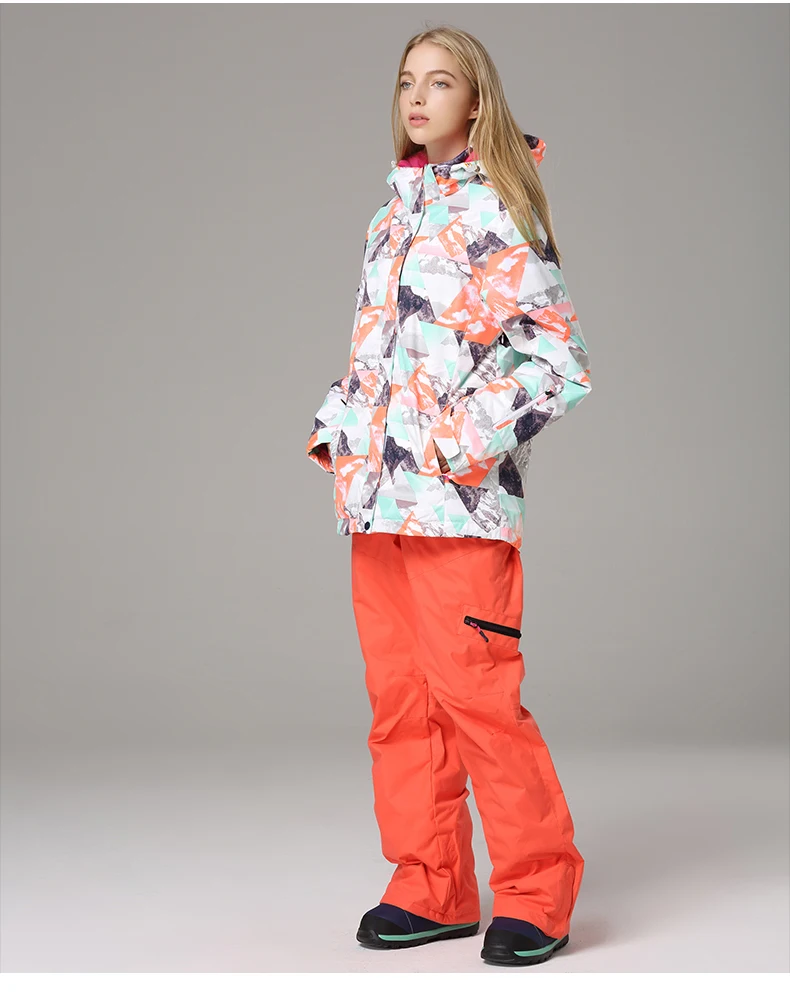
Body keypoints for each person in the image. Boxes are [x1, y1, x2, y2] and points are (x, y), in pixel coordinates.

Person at [305, 25, 592, 969]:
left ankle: (538, 892)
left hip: (459, 508)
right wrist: (342, 429)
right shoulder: (390, 216)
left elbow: (556, 362)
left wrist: (449, 444)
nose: (418, 99)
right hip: (378, 505)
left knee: (478, 701)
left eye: (439, 83)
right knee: (400, 702)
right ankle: (431, 883)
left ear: (476, 101)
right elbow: (380, 353)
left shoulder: (497, 209)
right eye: (406, 83)